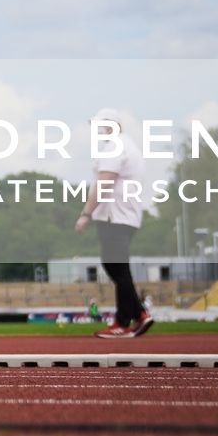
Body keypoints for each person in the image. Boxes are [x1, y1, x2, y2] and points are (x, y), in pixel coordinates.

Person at [73, 108, 152, 339]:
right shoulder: (128, 146)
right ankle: (137, 314)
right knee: (115, 267)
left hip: (114, 216)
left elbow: (104, 183)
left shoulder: (114, 147)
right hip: (125, 215)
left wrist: (86, 213)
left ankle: (125, 320)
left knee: (117, 267)